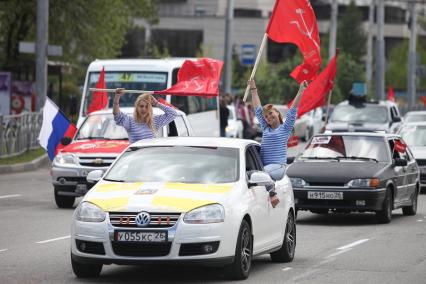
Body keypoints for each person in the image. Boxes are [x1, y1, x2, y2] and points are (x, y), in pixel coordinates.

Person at [248, 79, 308, 207]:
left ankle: (272, 193)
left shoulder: (285, 128)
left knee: (262, 173)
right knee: (253, 174)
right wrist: (253, 89)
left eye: (270, 113)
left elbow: (293, 109)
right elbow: (257, 108)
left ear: (277, 113)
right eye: (266, 117)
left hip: (278, 168)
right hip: (266, 168)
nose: (268, 117)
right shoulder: (265, 128)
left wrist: (301, 90)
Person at [113, 88, 177, 144]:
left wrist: (156, 103)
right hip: (135, 156)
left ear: (150, 108)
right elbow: (117, 115)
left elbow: (173, 113)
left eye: (146, 106)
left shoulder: (154, 121)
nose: (144, 109)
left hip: (149, 156)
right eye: (141, 106)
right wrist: (117, 97)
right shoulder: (129, 121)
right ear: (137, 107)